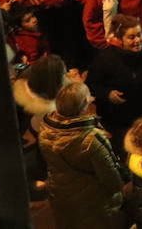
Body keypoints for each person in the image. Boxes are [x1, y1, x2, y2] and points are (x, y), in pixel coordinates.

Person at [38, 81, 126, 229]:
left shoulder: (45, 129)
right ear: (85, 104)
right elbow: (111, 180)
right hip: (93, 199)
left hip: (60, 193)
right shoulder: (91, 139)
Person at [85, 14, 142, 145]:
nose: (137, 40)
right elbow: (90, 86)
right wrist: (107, 94)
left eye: (139, 35)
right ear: (120, 39)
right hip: (117, 122)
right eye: (131, 37)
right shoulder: (105, 60)